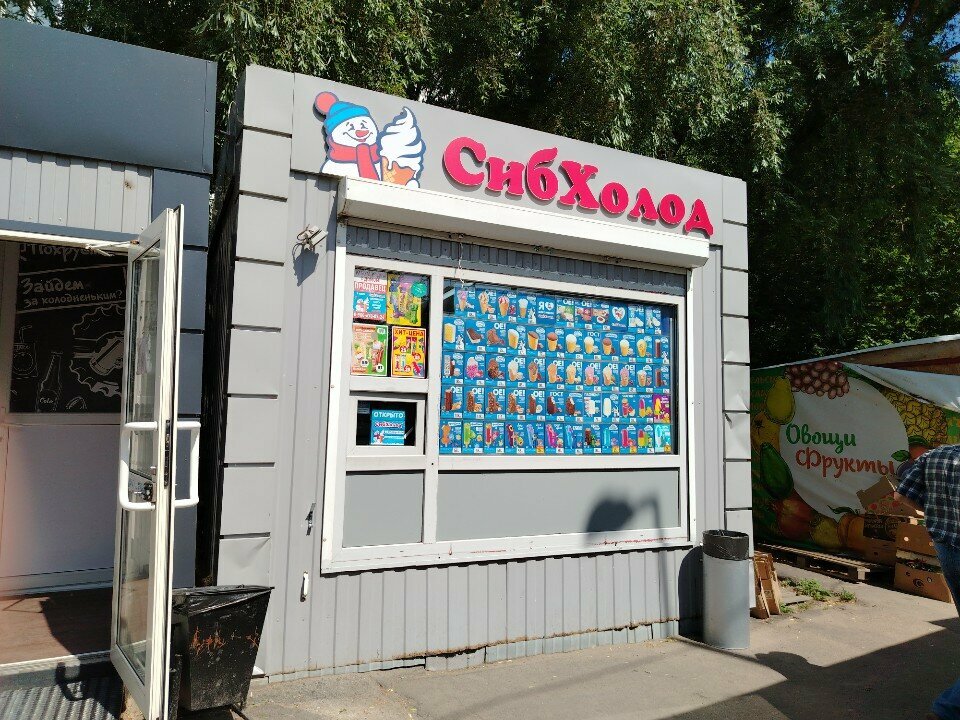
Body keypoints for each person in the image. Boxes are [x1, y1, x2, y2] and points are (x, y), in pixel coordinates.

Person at [895, 445, 960, 720]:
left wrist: (932, 511)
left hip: (947, 550)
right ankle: (948, 708)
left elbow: (901, 495)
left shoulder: (934, 456)